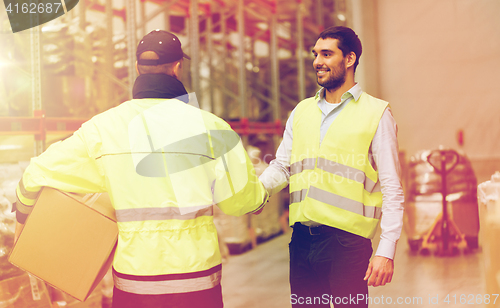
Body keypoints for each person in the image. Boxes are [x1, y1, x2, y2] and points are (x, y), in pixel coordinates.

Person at [13, 29, 269, 308]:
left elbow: (34, 175)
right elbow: (242, 202)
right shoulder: (212, 127)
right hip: (196, 279)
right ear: (177, 67)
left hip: (135, 282)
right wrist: (262, 197)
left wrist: (24, 218)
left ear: (137, 68)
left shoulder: (102, 128)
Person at [259, 26, 404, 307]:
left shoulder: (377, 114)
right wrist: (256, 190)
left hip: (348, 245)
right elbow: (283, 166)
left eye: (327, 54)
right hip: (301, 241)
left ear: (349, 59)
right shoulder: (301, 111)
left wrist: (386, 250)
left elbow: (392, 188)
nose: (317, 62)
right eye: (316, 54)